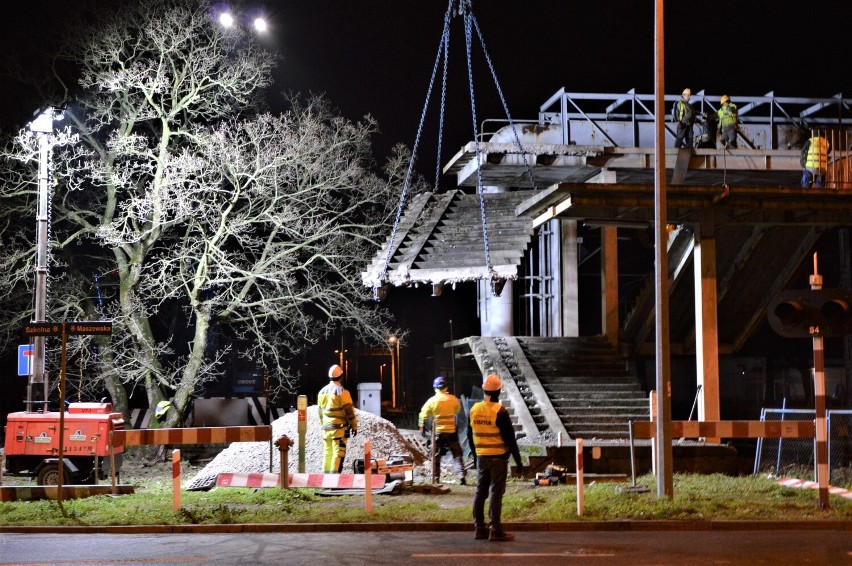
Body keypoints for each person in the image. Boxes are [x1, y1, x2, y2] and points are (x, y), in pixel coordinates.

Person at [467, 374, 524, 542]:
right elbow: (510, 439)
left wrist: (475, 452)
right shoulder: (500, 411)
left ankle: (479, 528)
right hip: (498, 458)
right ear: (499, 391)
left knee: (480, 492)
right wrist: (518, 461)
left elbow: (470, 436)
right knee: (495, 493)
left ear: (484, 389)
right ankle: (495, 529)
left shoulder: (474, 409)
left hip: (482, 457)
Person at [418, 376, 466, 485]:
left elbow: (423, 415)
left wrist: (421, 427)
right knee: (457, 454)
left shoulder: (432, 401)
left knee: (436, 456)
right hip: (451, 432)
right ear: (446, 387)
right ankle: (461, 475)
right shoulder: (453, 399)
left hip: (438, 433)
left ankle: (436, 478)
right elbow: (457, 410)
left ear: (435, 388)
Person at [317, 364, 358, 474]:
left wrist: (324, 423)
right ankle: (334, 479)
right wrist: (354, 426)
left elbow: (320, 412)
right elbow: (349, 413)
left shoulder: (321, 392)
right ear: (341, 377)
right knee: (337, 453)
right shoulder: (342, 392)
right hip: (338, 429)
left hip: (326, 428)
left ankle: (325, 478)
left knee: (327, 452)